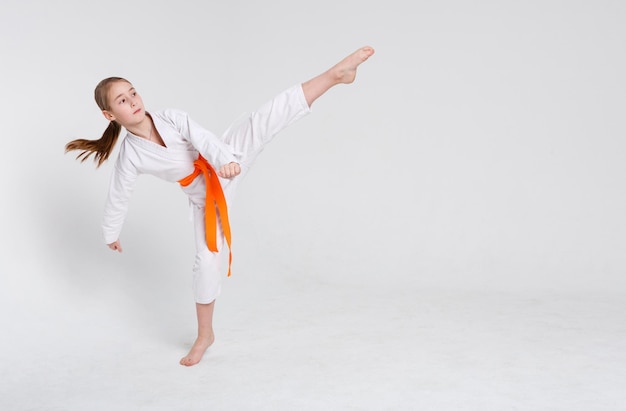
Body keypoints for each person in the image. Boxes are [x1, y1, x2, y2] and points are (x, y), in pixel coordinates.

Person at [65, 46, 375, 366]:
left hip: (224, 160)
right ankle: (205, 335)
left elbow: (203, 138)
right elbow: (119, 193)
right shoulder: (132, 154)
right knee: (207, 262)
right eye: (123, 101)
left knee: (264, 119)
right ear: (110, 115)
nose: (133, 102)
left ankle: (334, 75)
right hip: (206, 199)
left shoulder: (170, 117)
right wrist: (110, 233)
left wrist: (225, 159)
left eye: (133, 93)